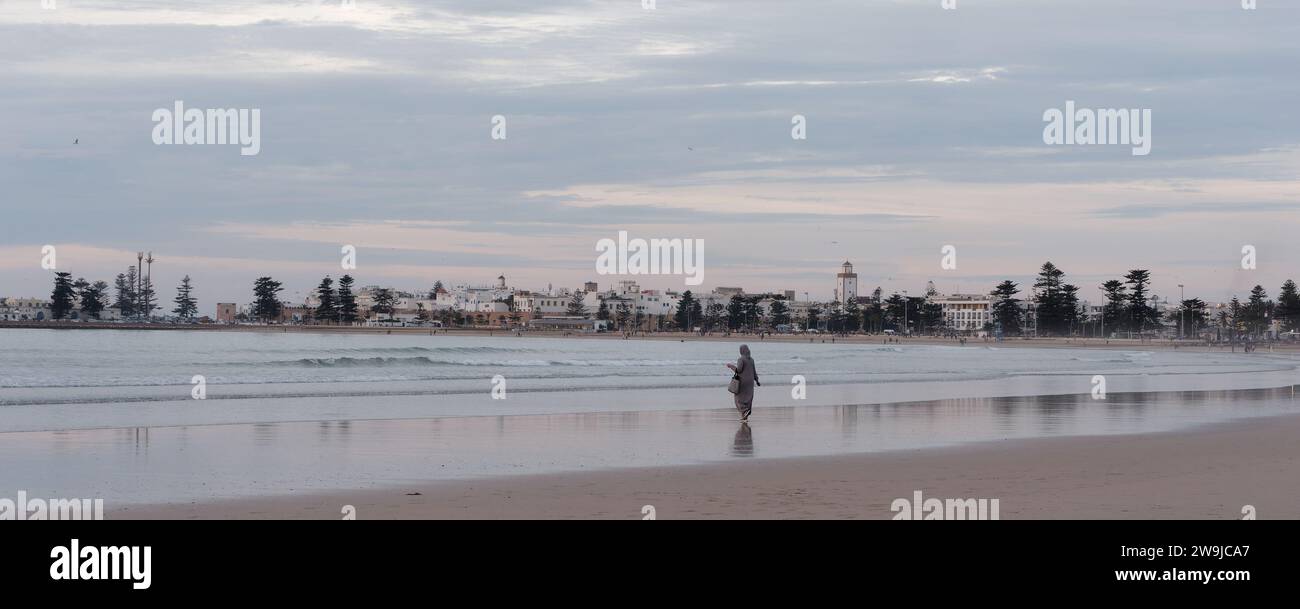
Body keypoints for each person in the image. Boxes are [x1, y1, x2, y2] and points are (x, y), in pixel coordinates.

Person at [726, 344, 760, 421]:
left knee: (738, 398)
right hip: (750, 382)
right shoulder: (751, 360)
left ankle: (744, 411)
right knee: (748, 398)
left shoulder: (741, 359)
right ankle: (744, 417)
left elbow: (739, 370)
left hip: (742, 381)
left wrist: (731, 366)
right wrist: (757, 380)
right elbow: (754, 371)